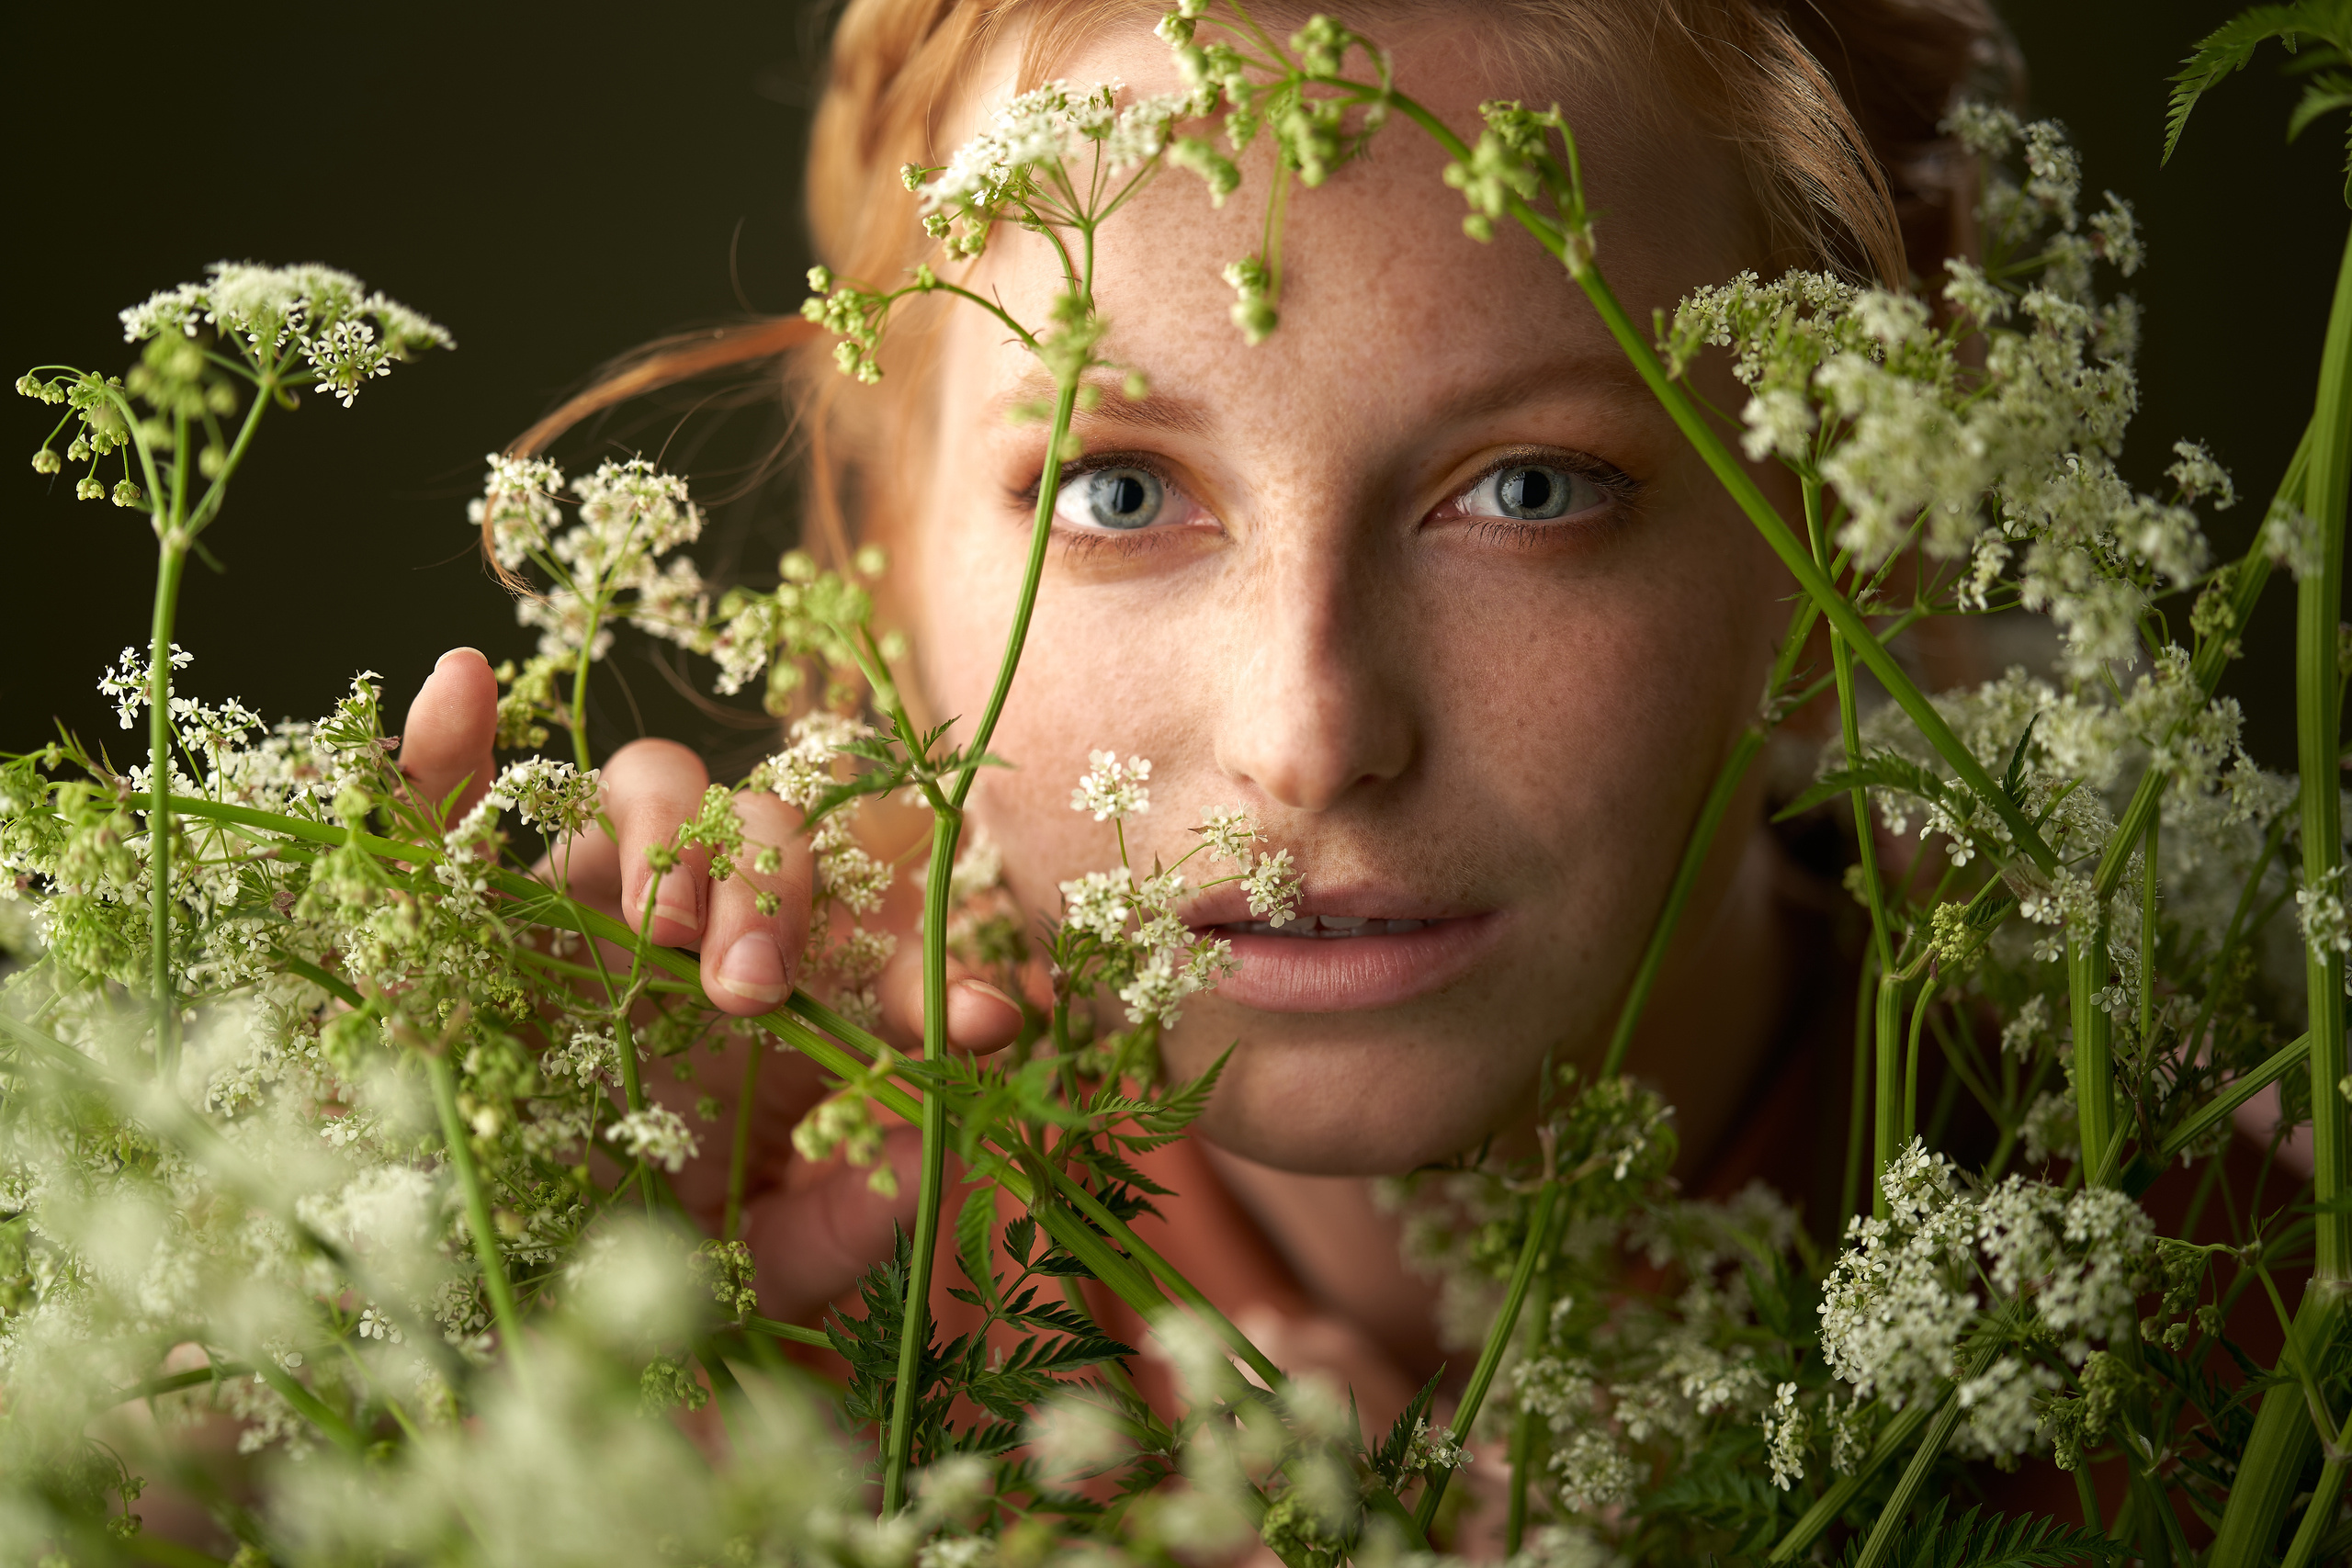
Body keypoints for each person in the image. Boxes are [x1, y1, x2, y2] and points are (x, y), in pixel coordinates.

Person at [394, 0, 2006, 1459]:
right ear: (891, 547)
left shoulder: (2153, 1331)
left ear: (1848, 527)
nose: (1308, 740)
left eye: (1530, 490)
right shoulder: (734, 1296)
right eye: (1117, 491)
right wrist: (475, 1350)